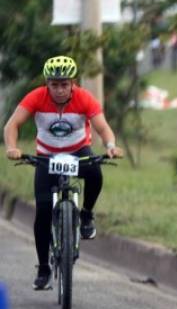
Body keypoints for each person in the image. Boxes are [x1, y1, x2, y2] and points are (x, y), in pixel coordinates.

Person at [3, 56, 123, 290]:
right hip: (46, 156)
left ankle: (86, 214)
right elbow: (12, 125)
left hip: (78, 151)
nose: (59, 90)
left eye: (64, 84)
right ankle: (44, 268)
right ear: (47, 83)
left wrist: (110, 146)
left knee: (96, 174)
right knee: (43, 211)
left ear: (73, 83)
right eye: (54, 84)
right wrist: (12, 148)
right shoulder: (36, 97)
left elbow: (102, 127)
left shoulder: (84, 99)